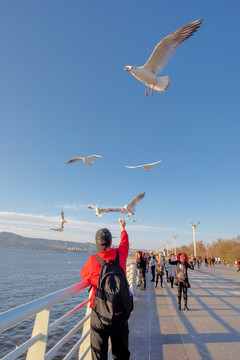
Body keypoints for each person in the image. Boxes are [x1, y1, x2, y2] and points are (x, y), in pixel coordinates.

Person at [81, 219, 130, 360]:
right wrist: (123, 228)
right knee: (121, 353)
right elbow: (125, 242)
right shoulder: (120, 254)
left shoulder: (93, 260)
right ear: (110, 242)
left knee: (98, 354)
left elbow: (84, 276)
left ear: (97, 243)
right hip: (119, 311)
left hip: (99, 312)